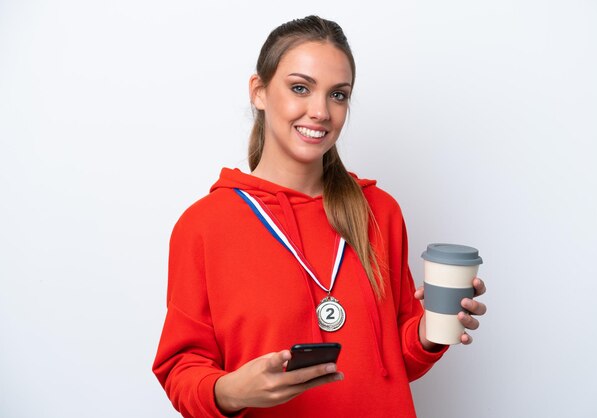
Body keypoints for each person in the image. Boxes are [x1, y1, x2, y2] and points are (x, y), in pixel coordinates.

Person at [152, 15, 487, 418]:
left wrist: (432, 331)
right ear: (258, 92)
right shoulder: (204, 226)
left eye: (338, 95)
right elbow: (180, 370)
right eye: (300, 88)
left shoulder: (380, 211)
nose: (321, 112)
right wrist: (231, 390)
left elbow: (395, 361)